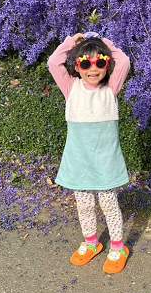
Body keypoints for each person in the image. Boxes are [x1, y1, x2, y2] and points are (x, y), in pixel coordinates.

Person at [47, 31, 132, 274]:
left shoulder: (111, 89)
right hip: (79, 161)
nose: (92, 68)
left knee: (108, 204)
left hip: (105, 161)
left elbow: (124, 61)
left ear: (107, 64)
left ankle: (118, 247)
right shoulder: (70, 88)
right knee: (83, 205)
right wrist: (71, 42)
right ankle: (91, 242)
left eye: (99, 62)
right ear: (76, 65)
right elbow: (54, 63)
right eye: (85, 63)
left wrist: (104, 42)